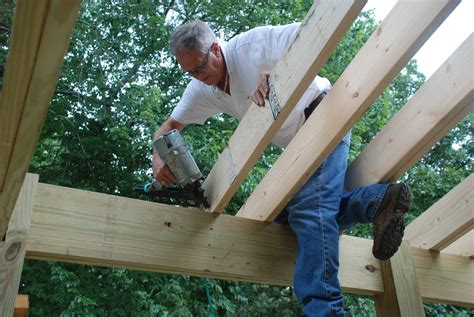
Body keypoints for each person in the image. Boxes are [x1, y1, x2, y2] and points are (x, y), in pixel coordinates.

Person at [152, 20, 411, 316]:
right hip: (297, 148)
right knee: (284, 222)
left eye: (200, 68)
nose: (198, 77)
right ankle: (378, 202)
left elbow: (315, 28)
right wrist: (158, 156)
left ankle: (325, 311)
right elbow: (170, 126)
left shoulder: (251, 46)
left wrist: (281, 71)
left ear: (214, 49)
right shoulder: (202, 89)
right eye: (190, 73)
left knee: (309, 213)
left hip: (322, 114)